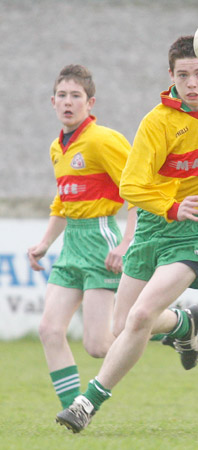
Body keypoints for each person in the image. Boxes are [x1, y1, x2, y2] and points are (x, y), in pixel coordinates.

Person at [55, 35, 198, 433]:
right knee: (123, 328)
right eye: (183, 74)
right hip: (155, 225)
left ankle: (86, 403)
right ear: (171, 76)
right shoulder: (157, 121)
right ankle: (184, 325)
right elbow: (131, 186)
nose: (191, 83)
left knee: (140, 315)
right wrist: (170, 206)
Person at [27, 64, 137, 410]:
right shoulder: (57, 148)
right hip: (71, 244)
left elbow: (137, 192)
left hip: (100, 239)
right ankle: (73, 410)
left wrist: (126, 242)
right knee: (49, 329)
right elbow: (63, 201)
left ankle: (177, 322)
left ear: (91, 103)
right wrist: (45, 243)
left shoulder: (104, 140)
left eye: (76, 96)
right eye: (62, 95)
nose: (68, 102)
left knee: (99, 345)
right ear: (52, 101)